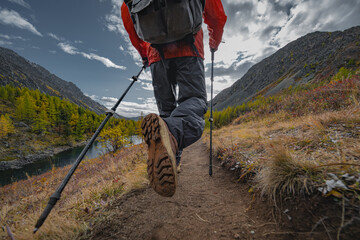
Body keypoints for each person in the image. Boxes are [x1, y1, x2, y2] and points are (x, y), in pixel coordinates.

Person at [121, 0, 227, 197]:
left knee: (167, 114)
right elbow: (217, 16)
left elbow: (130, 24)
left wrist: (145, 55)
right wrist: (214, 43)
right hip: (190, 49)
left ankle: (172, 160)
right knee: (194, 104)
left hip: (156, 57)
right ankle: (171, 138)